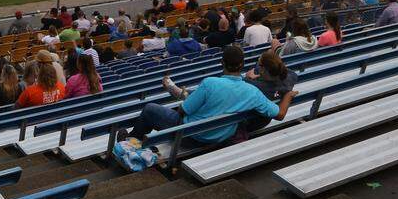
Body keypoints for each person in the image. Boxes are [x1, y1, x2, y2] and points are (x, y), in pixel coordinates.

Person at [124, 45, 297, 143]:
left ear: (222, 63)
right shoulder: (253, 91)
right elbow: (280, 114)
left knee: (150, 109)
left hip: (192, 135)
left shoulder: (210, 83)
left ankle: (130, 140)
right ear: (242, 64)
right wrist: (288, 96)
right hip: (221, 134)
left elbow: (184, 111)